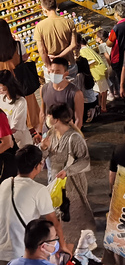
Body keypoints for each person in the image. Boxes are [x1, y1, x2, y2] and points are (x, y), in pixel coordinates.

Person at [0, 145, 66, 265]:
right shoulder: (39, 190)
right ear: (37, 166)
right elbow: (53, 222)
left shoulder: (5, 183)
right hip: (20, 255)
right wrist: (62, 246)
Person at [40, 103, 94, 245]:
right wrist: (43, 148)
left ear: (56, 119)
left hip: (72, 185)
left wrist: (67, 171)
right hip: (55, 182)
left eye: (49, 115)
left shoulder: (74, 138)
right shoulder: (51, 134)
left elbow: (85, 161)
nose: (47, 118)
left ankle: (69, 253)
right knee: (56, 218)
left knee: (71, 221)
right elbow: (44, 156)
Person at [0, 21, 40, 129]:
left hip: (4, 85)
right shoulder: (17, 44)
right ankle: (36, 132)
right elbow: (25, 57)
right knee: (29, 109)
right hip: (21, 81)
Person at [33, 0, 77, 81]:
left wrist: (49, 66)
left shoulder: (39, 26)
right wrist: (60, 55)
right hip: (68, 64)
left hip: (52, 65)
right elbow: (73, 45)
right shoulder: (69, 22)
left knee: (54, 92)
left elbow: (42, 50)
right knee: (71, 92)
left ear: (44, 9)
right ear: (57, 6)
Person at [39, 58, 84, 132]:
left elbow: (78, 119)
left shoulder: (76, 93)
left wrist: (72, 136)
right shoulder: (44, 89)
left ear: (66, 73)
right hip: (48, 132)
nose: (54, 74)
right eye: (52, 71)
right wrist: (41, 133)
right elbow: (42, 113)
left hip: (65, 132)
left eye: (58, 72)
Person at [0, 71, 32, 148]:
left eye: (1, 88)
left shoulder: (21, 102)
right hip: (6, 138)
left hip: (20, 141)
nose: (0, 90)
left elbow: (15, 127)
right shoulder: (1, 97)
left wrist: (4, 136)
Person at [74, 57, 98, 123]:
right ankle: (92, 110)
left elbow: (79, 89)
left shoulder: (79, 76)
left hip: (86, 101)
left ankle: (90, 112)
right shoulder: (88, 73)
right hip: (92, 99)